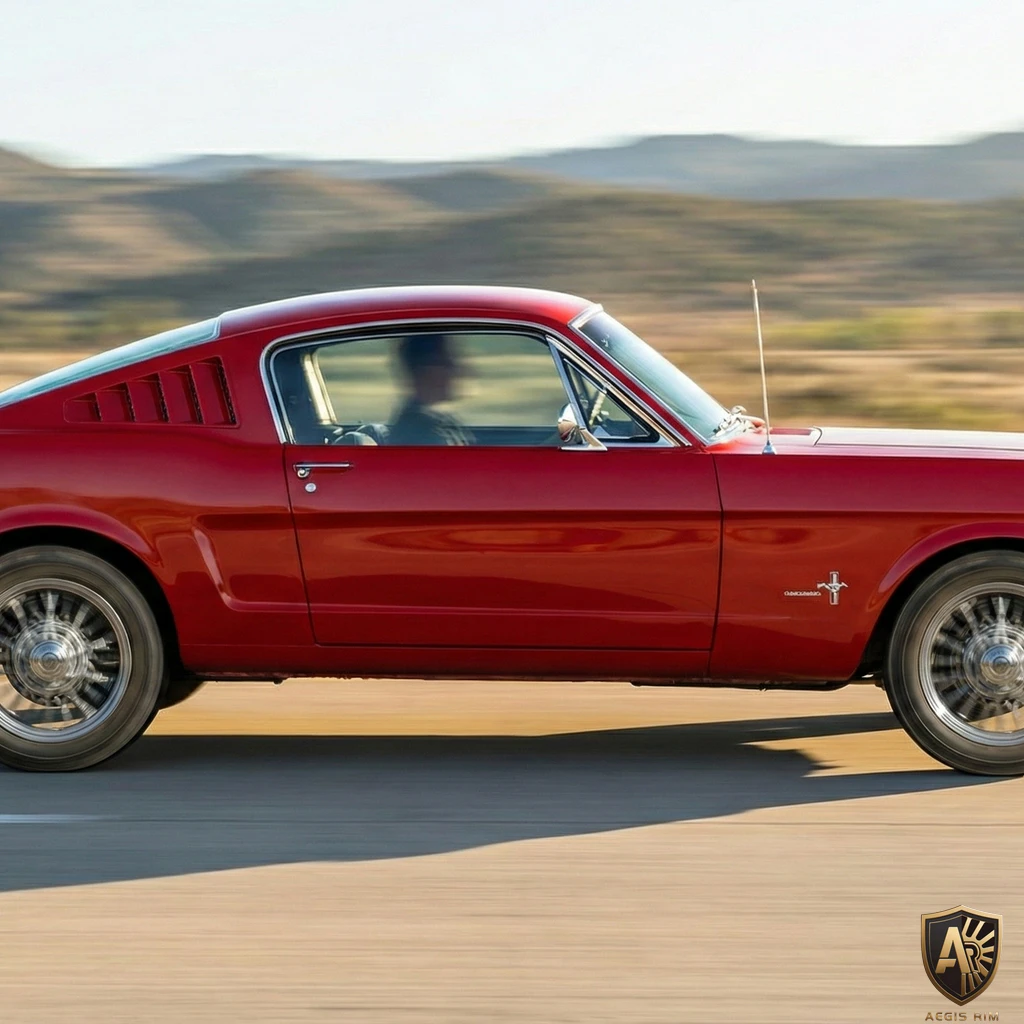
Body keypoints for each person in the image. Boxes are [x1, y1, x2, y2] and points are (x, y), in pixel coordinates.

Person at [389, 333, 474, 446]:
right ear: (424, 370)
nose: (455, 370)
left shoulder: (441, 420)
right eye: (445, 362)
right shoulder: (419, 431)